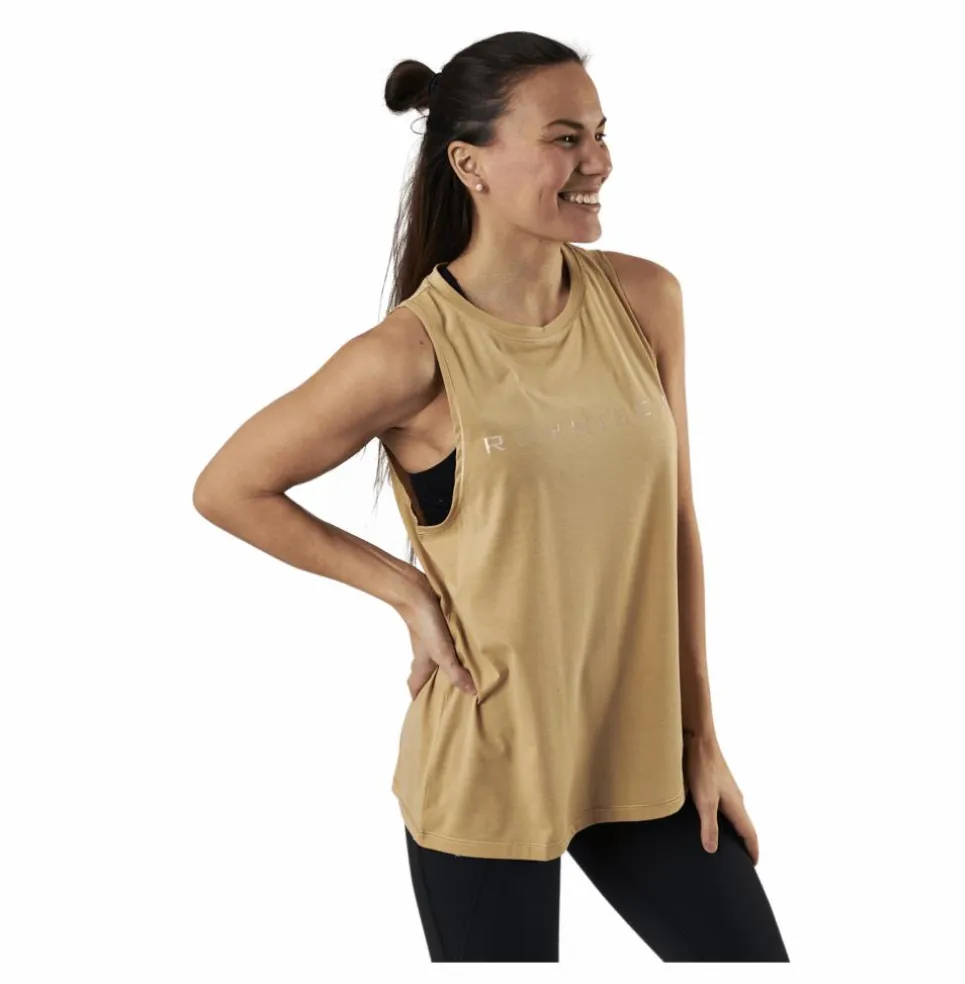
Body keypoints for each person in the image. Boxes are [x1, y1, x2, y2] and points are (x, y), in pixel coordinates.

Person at [193, 30, 789, 964]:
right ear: (470, 163)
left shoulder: (645, 300)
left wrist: (702, 738)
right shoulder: (409, 354)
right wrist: (405, 590)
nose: (599, 162)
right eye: (564, 139)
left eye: (600, 133)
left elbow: (676, 524)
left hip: (640, 755)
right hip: (487, 766)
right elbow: (229, 487)